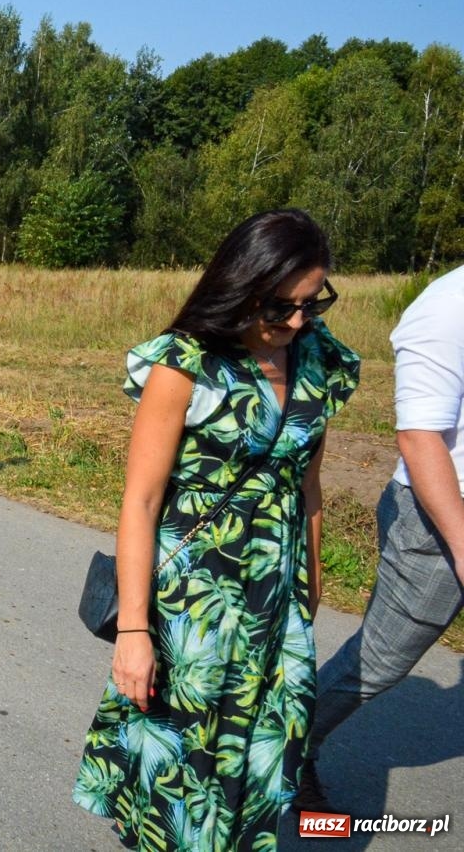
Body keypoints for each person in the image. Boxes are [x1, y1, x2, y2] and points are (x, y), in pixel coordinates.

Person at [71, 209, 360, 850]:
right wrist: (134, 631)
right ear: (242, 288)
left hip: (276, 599)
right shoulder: (185, 364)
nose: (296, 322)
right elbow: (141, 501)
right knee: (184, 767)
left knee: (262, 756)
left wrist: (308, 587)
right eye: (280, 307)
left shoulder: (319, 359)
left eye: (312, 304)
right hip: (192, 601)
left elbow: (308, 489)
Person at [296, 262, 464, 812]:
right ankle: (287, 749)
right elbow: (420, 437)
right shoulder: (447, 307)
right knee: (380, 661)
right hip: (443, 516)